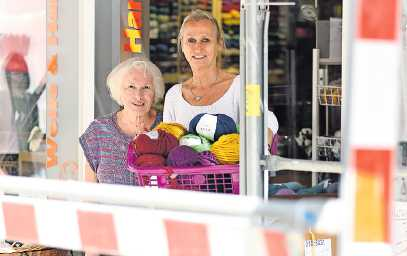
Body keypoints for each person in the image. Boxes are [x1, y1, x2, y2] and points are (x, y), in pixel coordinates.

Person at [163, 9, 279, 147]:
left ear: (219, 44)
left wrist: (264, 135)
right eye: (191, 40)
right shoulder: (173, 96)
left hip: (237, 169)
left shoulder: (245, 85)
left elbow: (265, 120)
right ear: (182, 45)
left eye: (205, 40)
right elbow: (168, 145)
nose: (198, 48)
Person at [79, 56, 164, 184]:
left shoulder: (167, 128)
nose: (138, 96)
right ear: (119, 91)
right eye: (131, 87)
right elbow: (89, 192)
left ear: (155, 91)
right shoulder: (98, 131)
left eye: (146, 87)